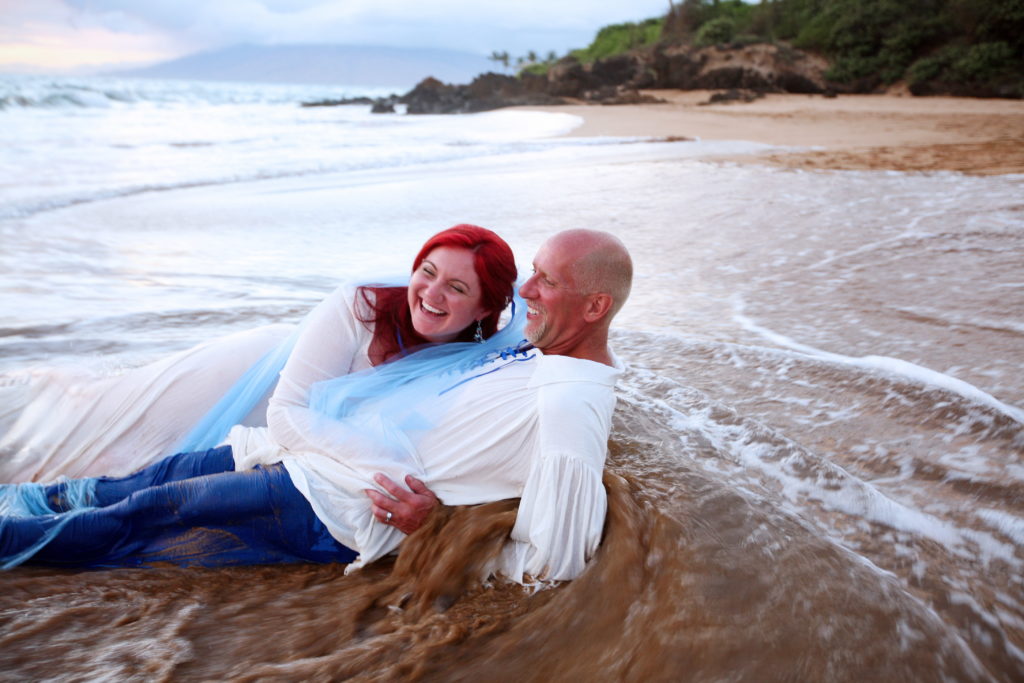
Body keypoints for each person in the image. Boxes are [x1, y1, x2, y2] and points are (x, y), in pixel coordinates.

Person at [1, 230, 633, 584]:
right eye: (531, 275)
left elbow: (553, 564)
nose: (527, 292)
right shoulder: (538, 349)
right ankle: (18, 505)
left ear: (596, 308)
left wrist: (439, 528)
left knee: (150, 511)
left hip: (336, 506)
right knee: (141, 481)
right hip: (295, 452)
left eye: (545, 281)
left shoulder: (571, 404)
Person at [0, 224, 515, 482]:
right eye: (426, 272)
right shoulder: (359, 305)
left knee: (129, 466)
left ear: (484, 307)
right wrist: (386, 469)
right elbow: (285, 412)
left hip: (282, 428)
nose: (431, 294)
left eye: (456, 288)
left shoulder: (474, 359)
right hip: (248, 375)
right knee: (95, 432)